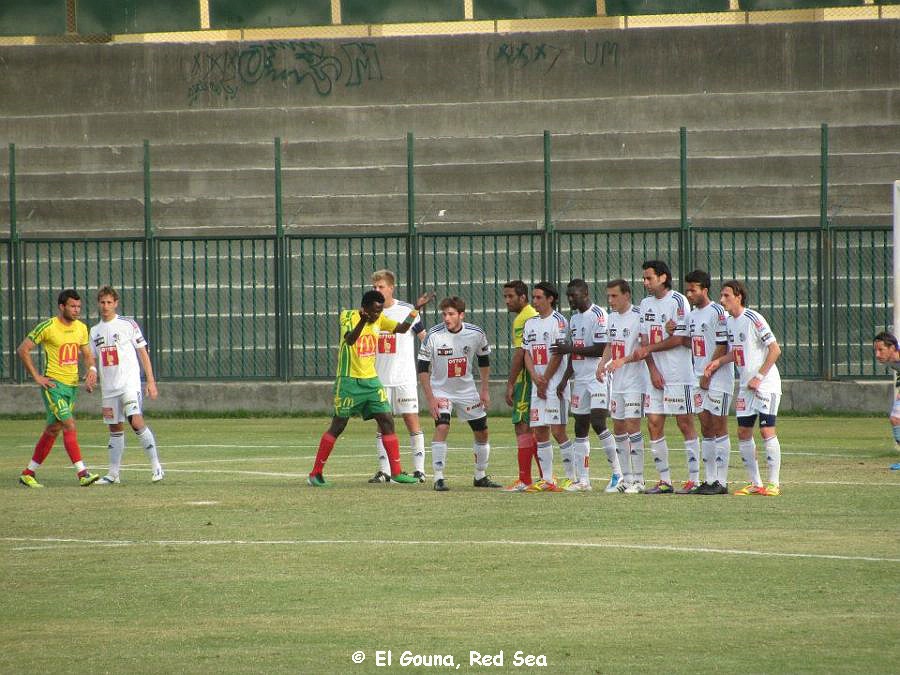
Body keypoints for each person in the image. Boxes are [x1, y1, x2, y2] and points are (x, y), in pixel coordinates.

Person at [308, 289, 432, 486]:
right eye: (374, 311)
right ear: (364, 308)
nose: (378, 315)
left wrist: (415, 309)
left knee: (387, 421)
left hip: (371, 381)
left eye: (380, 311)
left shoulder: (379, 320)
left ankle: (396, 472)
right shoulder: (347, 316)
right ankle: (315, 473)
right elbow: (349, 340)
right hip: (349, 381)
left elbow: (401, 329)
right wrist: (363, 321)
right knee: (338, 425)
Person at [704, 280, 783, 496]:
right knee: (743, 432)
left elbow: (775, 350)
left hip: (765, 384)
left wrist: (758, 376)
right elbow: (737, 352)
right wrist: (718, 362)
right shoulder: (729, 323)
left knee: (766, 430)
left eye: (726, 295)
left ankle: (774, 484)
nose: (722, 300)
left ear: (738, 296)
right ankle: (755, 483)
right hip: (747, 387)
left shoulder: (753, 318)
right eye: (721, 296)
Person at [17, 289, 101, 488]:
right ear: (61, 307)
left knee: (53, 429)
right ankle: (82, 473)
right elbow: (23, 349)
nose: (76, 310)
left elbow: (87, 353)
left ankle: (28, 473)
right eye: (72, 306)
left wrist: (91, 370)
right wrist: (37, 377)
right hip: (53, 386)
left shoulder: (81, 328)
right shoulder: (48, 327)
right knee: (69, 425)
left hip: (71, 387)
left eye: (79, 306)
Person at [417, 296, 499, 491]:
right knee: (443, 427)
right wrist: (431, 399)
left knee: (482, 431)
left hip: (467, 390)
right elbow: (422, 368)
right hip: (441, 390)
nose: (446, 318)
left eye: (451, 314)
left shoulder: (476, 333)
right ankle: (438, 478)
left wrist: (485, 390)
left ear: (461, 315)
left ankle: (480, 476)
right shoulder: (433, 336)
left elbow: (484, 360)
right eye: (444, 314)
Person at [633, 260, 701, 495]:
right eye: (644, 278)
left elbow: (681, 339)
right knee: (653, 423)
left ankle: (694, 479)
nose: (645, 282)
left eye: (649, 278)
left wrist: (650, 350)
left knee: (685, 423)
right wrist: (652, 369)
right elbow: (643, 340)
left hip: (678, 374)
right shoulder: (644, 304)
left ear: (663, 278)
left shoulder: (678, 301)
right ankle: (664, 481)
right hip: (654, 375)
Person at [552, 279, 622, 492]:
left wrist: (570, 348)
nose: (571, 299)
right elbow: (575, 351)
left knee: (598, 422)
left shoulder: (599, 315)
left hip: (597, 376)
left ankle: (618, 474)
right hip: (580, 379)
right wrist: (565, 379)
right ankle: (583, 481)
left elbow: (601, 348)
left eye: (574, 295)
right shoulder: (573, 319)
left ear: (585, 293)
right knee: (580, 427)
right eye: (568, 296)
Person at [90, 286, 164, 484]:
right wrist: (92, 373)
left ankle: (156, 465)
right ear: (99, 304)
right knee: (115, 429)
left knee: (136, 421)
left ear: (116, 303)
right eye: (102, 302)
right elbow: (92, 359)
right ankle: (113, 474)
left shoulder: (127, 324)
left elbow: (143, 352)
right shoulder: (94, 331)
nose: (105, 306)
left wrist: (150, 381)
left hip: (129, 384)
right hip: (109, 388)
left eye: (109, 302)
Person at [368, 270, 428, 483]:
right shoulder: (369, 313)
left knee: (411, 420)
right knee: (382, 423)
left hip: (404, 378)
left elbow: (425, 339)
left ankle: (420, 470)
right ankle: (384, 471)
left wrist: (429, 363)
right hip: (379, 379)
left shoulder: (407, 310)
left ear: (391, 288)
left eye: (381, 287)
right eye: (375, 287)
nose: (377, 290)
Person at [683, 271, 732, 494]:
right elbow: (688, 340)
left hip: (717, 378)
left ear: (704, 290)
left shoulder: (718, 312)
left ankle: (721, 482)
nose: (689, 293)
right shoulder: (692, 316)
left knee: (719, 426)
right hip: (697, 377)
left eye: (693, 289)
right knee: (705, 426)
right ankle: (710, 479)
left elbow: (723, 345)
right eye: (688, 289)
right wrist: (671, 328)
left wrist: (708, 372)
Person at [599, 279, 650, 494]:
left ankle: (639, 481)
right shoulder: (611, 318)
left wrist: (623, 360)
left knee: (632, 427)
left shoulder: (639, 316)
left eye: (614, 296)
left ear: (626, 295)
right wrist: (602, 362)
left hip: (635, 381)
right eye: (608, 296)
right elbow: (611, 345)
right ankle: (626, 479)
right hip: (616, 382)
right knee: (618, 428)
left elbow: (645, 348)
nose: (610, 300)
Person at [521, 282, 572, 492]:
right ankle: (548, 479)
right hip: (538, 385)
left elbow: (558, 354)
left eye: (539, 297)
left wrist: (546, 380)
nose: (535, 301)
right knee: (539, 430)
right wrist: (535, 377)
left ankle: (571, 477)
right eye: (534, 297)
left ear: (550, 299)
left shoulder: (559, 322)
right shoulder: (530, 323)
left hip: (554, 386)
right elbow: (527, 353)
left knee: (558, 431)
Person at [501, 280, 540, 492]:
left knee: (522, 427)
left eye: (510, 297)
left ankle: (525, 480)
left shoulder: (524, 318)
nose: (507, 301)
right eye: (505, 297)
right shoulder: (530, 315)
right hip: (532, 379)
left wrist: (509, 384)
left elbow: (521, 353)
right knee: (534, 429)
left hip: (525, 380)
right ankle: (543, 478)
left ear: (522, 297)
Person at [871, 331, 900, 470]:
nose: (877, 354)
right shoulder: (892, 361)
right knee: (896, 419)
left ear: (893, 348)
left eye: (881, 350)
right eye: (875, 350)